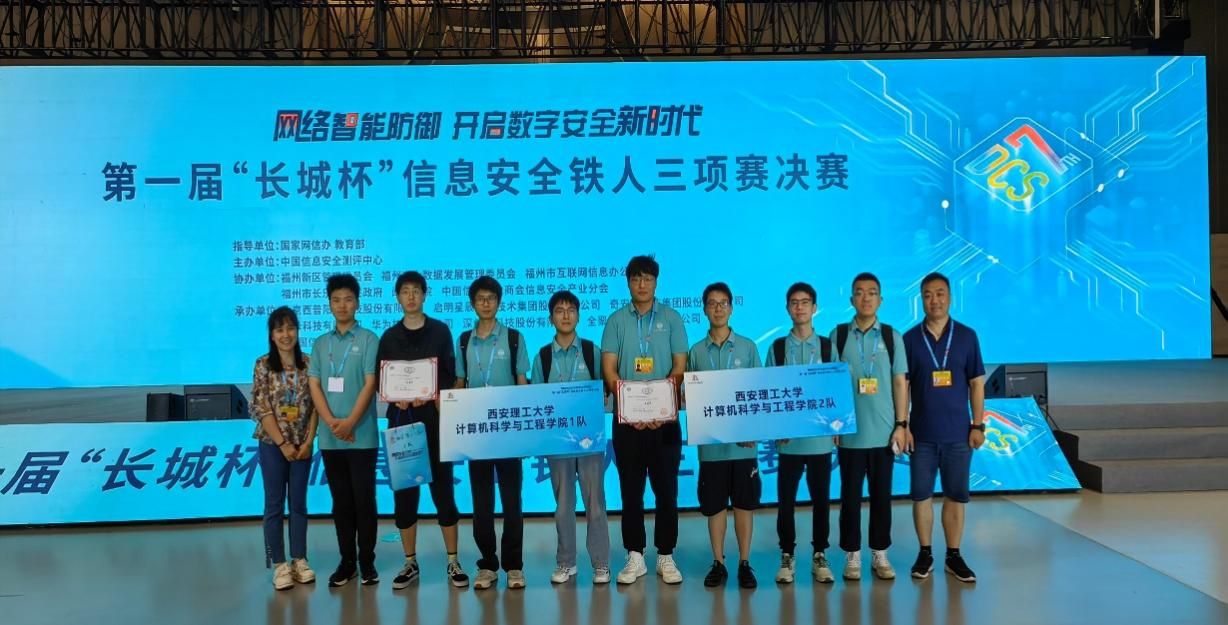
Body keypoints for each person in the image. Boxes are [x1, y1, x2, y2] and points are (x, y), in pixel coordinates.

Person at [376, 271, 470, 590]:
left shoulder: (440, 331)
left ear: (425, 295)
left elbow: (449, 375)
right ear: (397, 297)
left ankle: (453, 560)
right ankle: (409, 562)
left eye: (416, 291)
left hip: (434, 421)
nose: (411, 296)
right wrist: (397, 397)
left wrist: (430, 394)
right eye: (405, 291)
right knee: (405, 496)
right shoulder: (389, 337)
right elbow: (382, 381)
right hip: (402, 422)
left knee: (444, 493)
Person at [600, 255, 689, 585]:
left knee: (667, 491)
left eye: (647, 278)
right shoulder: (615, 321)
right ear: (628, 282)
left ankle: (666, 555)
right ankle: (634, 555)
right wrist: (631, 409)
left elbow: (679, 367)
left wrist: (659, 407)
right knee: (631, 491)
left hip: (665, 422)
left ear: (656, 282)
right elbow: (609, 369)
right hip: (627, 423)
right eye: (636, 278)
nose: (642, 284)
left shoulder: (672, 318)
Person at [902, 272, 986, 584]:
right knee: (921, 496)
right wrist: (903, 425)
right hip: (921, 435)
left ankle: (954, 555)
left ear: (950, 298)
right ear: (920, 300)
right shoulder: (910, 339)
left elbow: (976, 384)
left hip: (958, 434)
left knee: (956, 496)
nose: (934, 300)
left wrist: (978, 425)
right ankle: (925, 553)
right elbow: (903, 387)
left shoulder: (967, 336)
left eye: (939, 294)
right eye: (927, 295)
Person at [830, 273, 910, 581]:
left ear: (880, 300)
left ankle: (880, 552)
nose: (866, 298)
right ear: (852, 299)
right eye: (860, 293)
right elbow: (830, 383)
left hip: (884, 434)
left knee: (881, 498)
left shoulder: (891, 336)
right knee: (849, 499)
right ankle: (852, 553)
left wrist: (902, 424)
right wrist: (833, 424)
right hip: (850, 434)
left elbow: (900, 382)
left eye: (872, 293)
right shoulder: (838, 335)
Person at [529, 290, 611, 586]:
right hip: (558, 443)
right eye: (559, 310)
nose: (565, 315)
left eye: (571, 310)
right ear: (550, 318)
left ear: (578, 315)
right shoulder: (543, 356)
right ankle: (566, 562)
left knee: (595, 504)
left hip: (589, 442)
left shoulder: (592, 351)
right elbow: (536, 400)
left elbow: (606, 389)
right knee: (563, 506)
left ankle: (601, 564)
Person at [455, 275, 530, 590]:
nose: (486, 303)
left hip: (508, 432)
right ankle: (487, 565)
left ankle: (514, 566)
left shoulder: (513, 338)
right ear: (473, 304)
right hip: (478, 435)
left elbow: (522, 384)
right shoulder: (464, 341)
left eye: (491, 298)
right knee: (481, 503)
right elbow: (460, 385)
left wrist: (525, 431)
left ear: (499, 302)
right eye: (480, 299)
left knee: (512, 503)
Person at [687, 282, 762, 589]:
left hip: (743, 446)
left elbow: (758, 392)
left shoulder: (748, 347)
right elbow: (689, 396)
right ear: (704, 309)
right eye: (712, 303)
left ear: (731, 308)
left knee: (744, 504)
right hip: (711, 447)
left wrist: (754, 430)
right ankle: (718, 562)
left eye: (723, 303)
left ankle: (744, 562)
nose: (718, 308)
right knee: (715, 506)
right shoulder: (695, 351)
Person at [307, 273, 380, 587]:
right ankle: (347, 561)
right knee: (341, 502)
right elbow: (314, 385)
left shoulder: (369, 339)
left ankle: (367, 561)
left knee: (364, 500)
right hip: (330, 439)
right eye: (336, 300)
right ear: (329, 304)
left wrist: (349, 422)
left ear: (357, 302)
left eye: (348, 299)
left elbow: (371, 383)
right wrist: (331, 422)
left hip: (362, 435)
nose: (342, 305)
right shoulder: (320, 344)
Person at [764, 282, 836, 584]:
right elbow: (768, 391)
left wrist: (837, 425)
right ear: (787, 308)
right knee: (786, 501)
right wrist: (776, 428)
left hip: (820, 441)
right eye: (794, 302)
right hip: (789, 441)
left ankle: (820, 553)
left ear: (814, 308)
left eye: (805, 302)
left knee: (821, 501)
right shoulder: (779, 348)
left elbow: (835, 389)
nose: (800, 307)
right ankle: (787, 554)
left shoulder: (828, 346)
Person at [252, 306, 318, 590]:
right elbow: (262, 408)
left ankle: (299, 560)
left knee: (299, 504)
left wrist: (309, 441)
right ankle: (279, 564)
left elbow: (316, 406)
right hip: (273, 445)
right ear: (271, 335)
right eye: (279, 329)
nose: (286, 334)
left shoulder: (309, 363)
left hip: (302, 446)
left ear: (298, 331)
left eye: (290, 328)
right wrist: (282, 443)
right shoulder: (263, 364)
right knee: (274, 504)